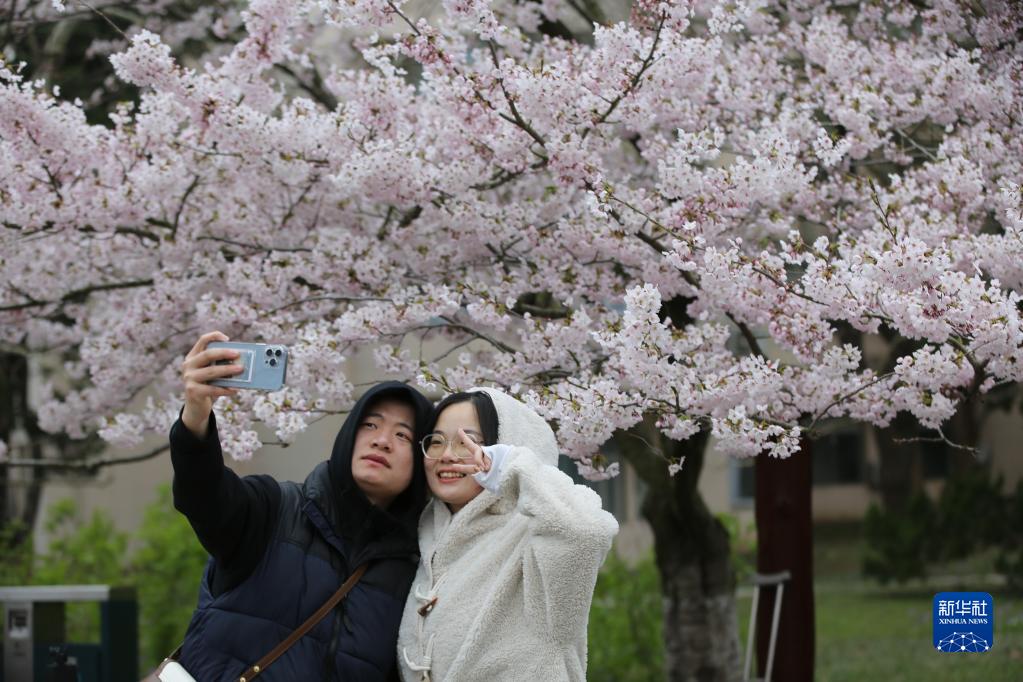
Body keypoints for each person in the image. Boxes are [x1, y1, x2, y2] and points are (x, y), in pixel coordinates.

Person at [169, 331, 432, 680]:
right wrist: (195, 418)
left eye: (402, 435)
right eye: (370, 424)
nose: (382, 441)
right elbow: (203, 495)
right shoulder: (274, 509)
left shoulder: (413, 574)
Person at [397, 387, 619, 682]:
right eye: (436, 442)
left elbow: (585, 533)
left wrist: (512, 468)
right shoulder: (428, 540)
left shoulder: (533, 537)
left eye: (468, 442)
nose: (447, 455)